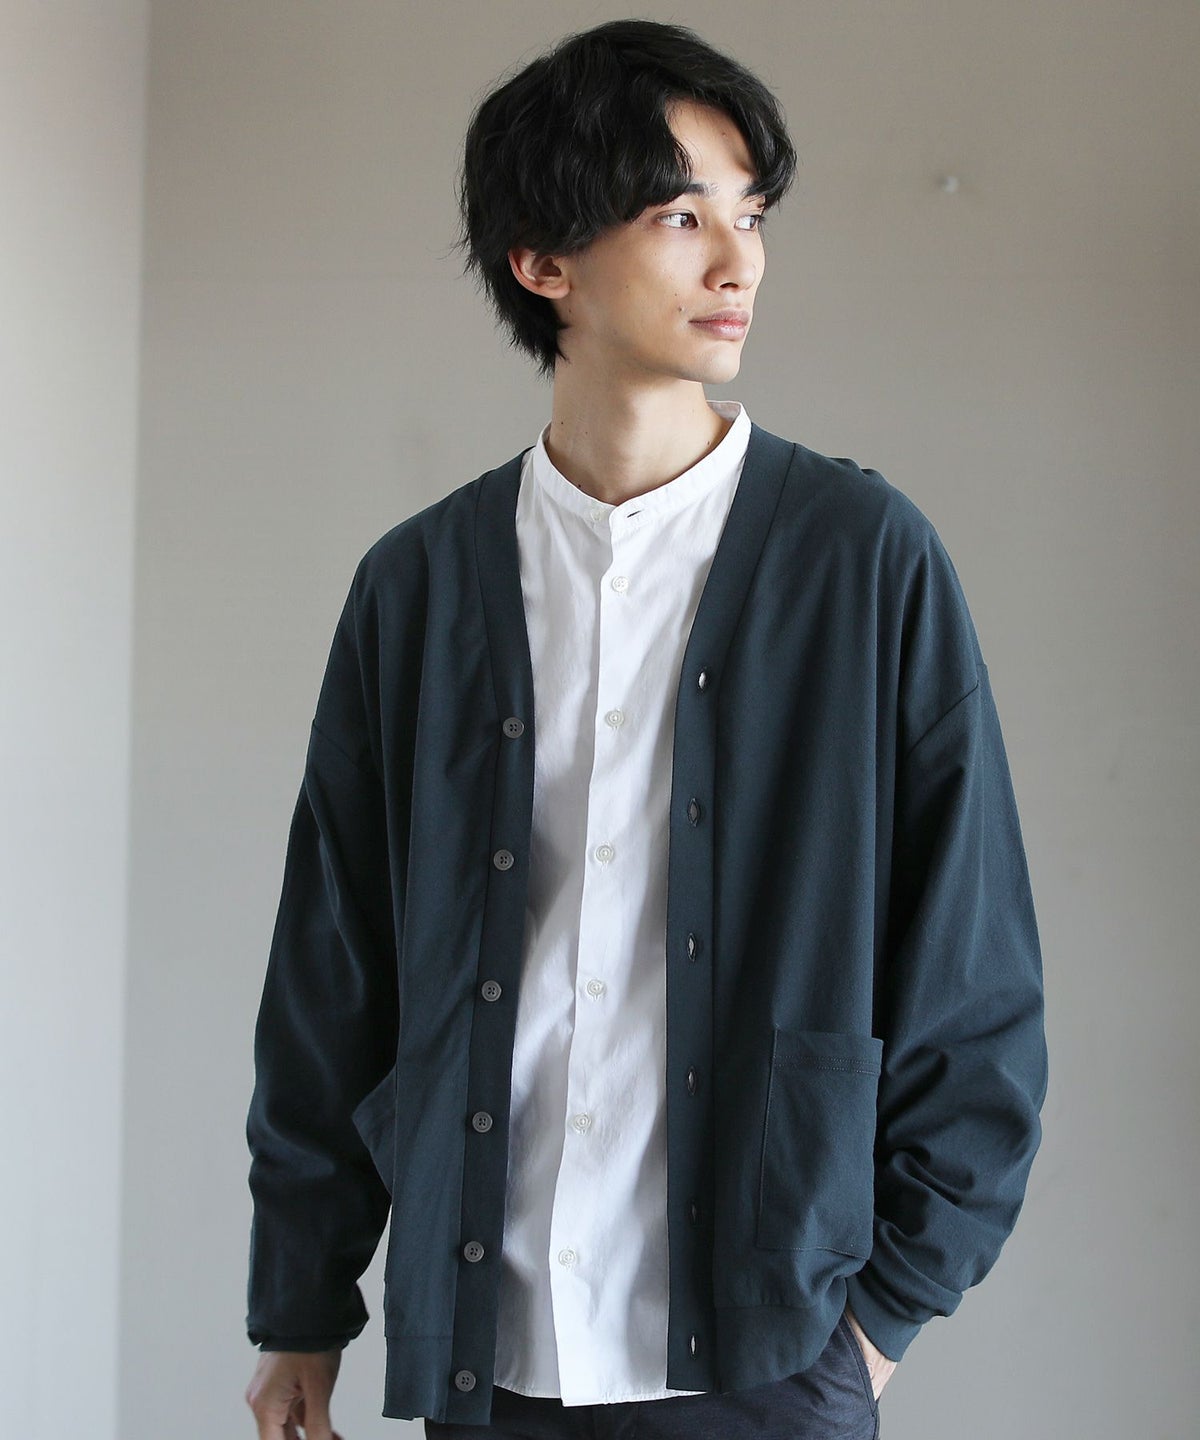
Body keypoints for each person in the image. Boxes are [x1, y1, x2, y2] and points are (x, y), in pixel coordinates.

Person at [244, 19, 1048, 1440]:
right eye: (682, 216)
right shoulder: (419, 588)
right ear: (541, 261)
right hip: (492, 1365)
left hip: (768, 1362)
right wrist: (302, 1305)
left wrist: (880, 1323)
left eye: (752, 213)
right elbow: (332, 972)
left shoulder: (862, 559)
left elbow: (972, 981)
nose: (739, 262)